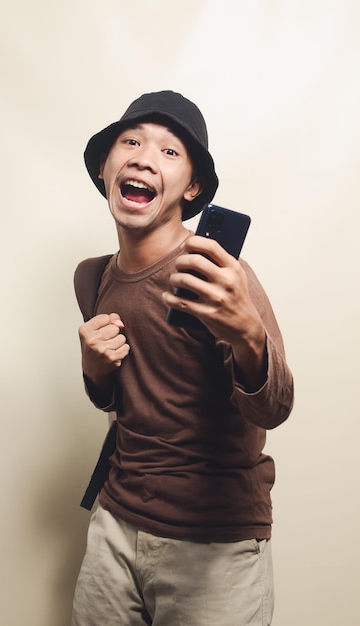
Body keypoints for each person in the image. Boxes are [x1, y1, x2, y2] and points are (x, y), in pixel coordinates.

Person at [71, 90, 294, 626]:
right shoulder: (92, 276)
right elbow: (129, 398)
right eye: (131, 141)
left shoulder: (218, 276)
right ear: (106, 167)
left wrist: (248, 337)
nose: (145, 157)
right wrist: (95, 373)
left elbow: (276, 407)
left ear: (192, 187)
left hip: (214, 542)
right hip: (115, 525)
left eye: (170, 152)